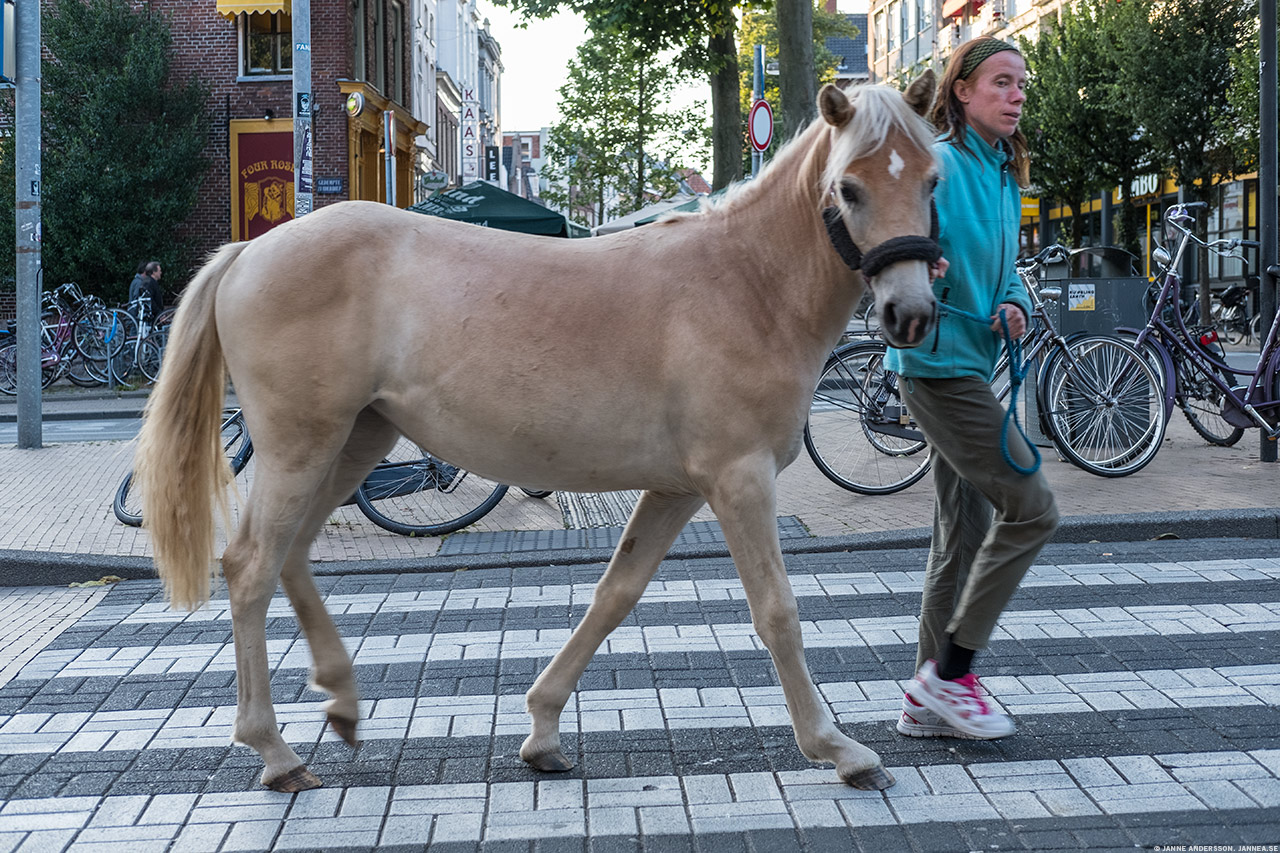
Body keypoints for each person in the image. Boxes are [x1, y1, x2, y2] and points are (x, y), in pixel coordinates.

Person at [885, 37, 1059, 739]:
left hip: (972, 361)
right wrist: (931, 263)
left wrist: (1012, 299)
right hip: (936, 366)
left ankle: (924, 701)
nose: (1017, 95)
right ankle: (951, 672)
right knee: (1033, 505)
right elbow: (901, 238)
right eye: (1001, 83)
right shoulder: (942, 166)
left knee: (963, 534)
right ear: (962, 91)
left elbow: (1008, 268)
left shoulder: (1004, 173)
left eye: (1021, 84)